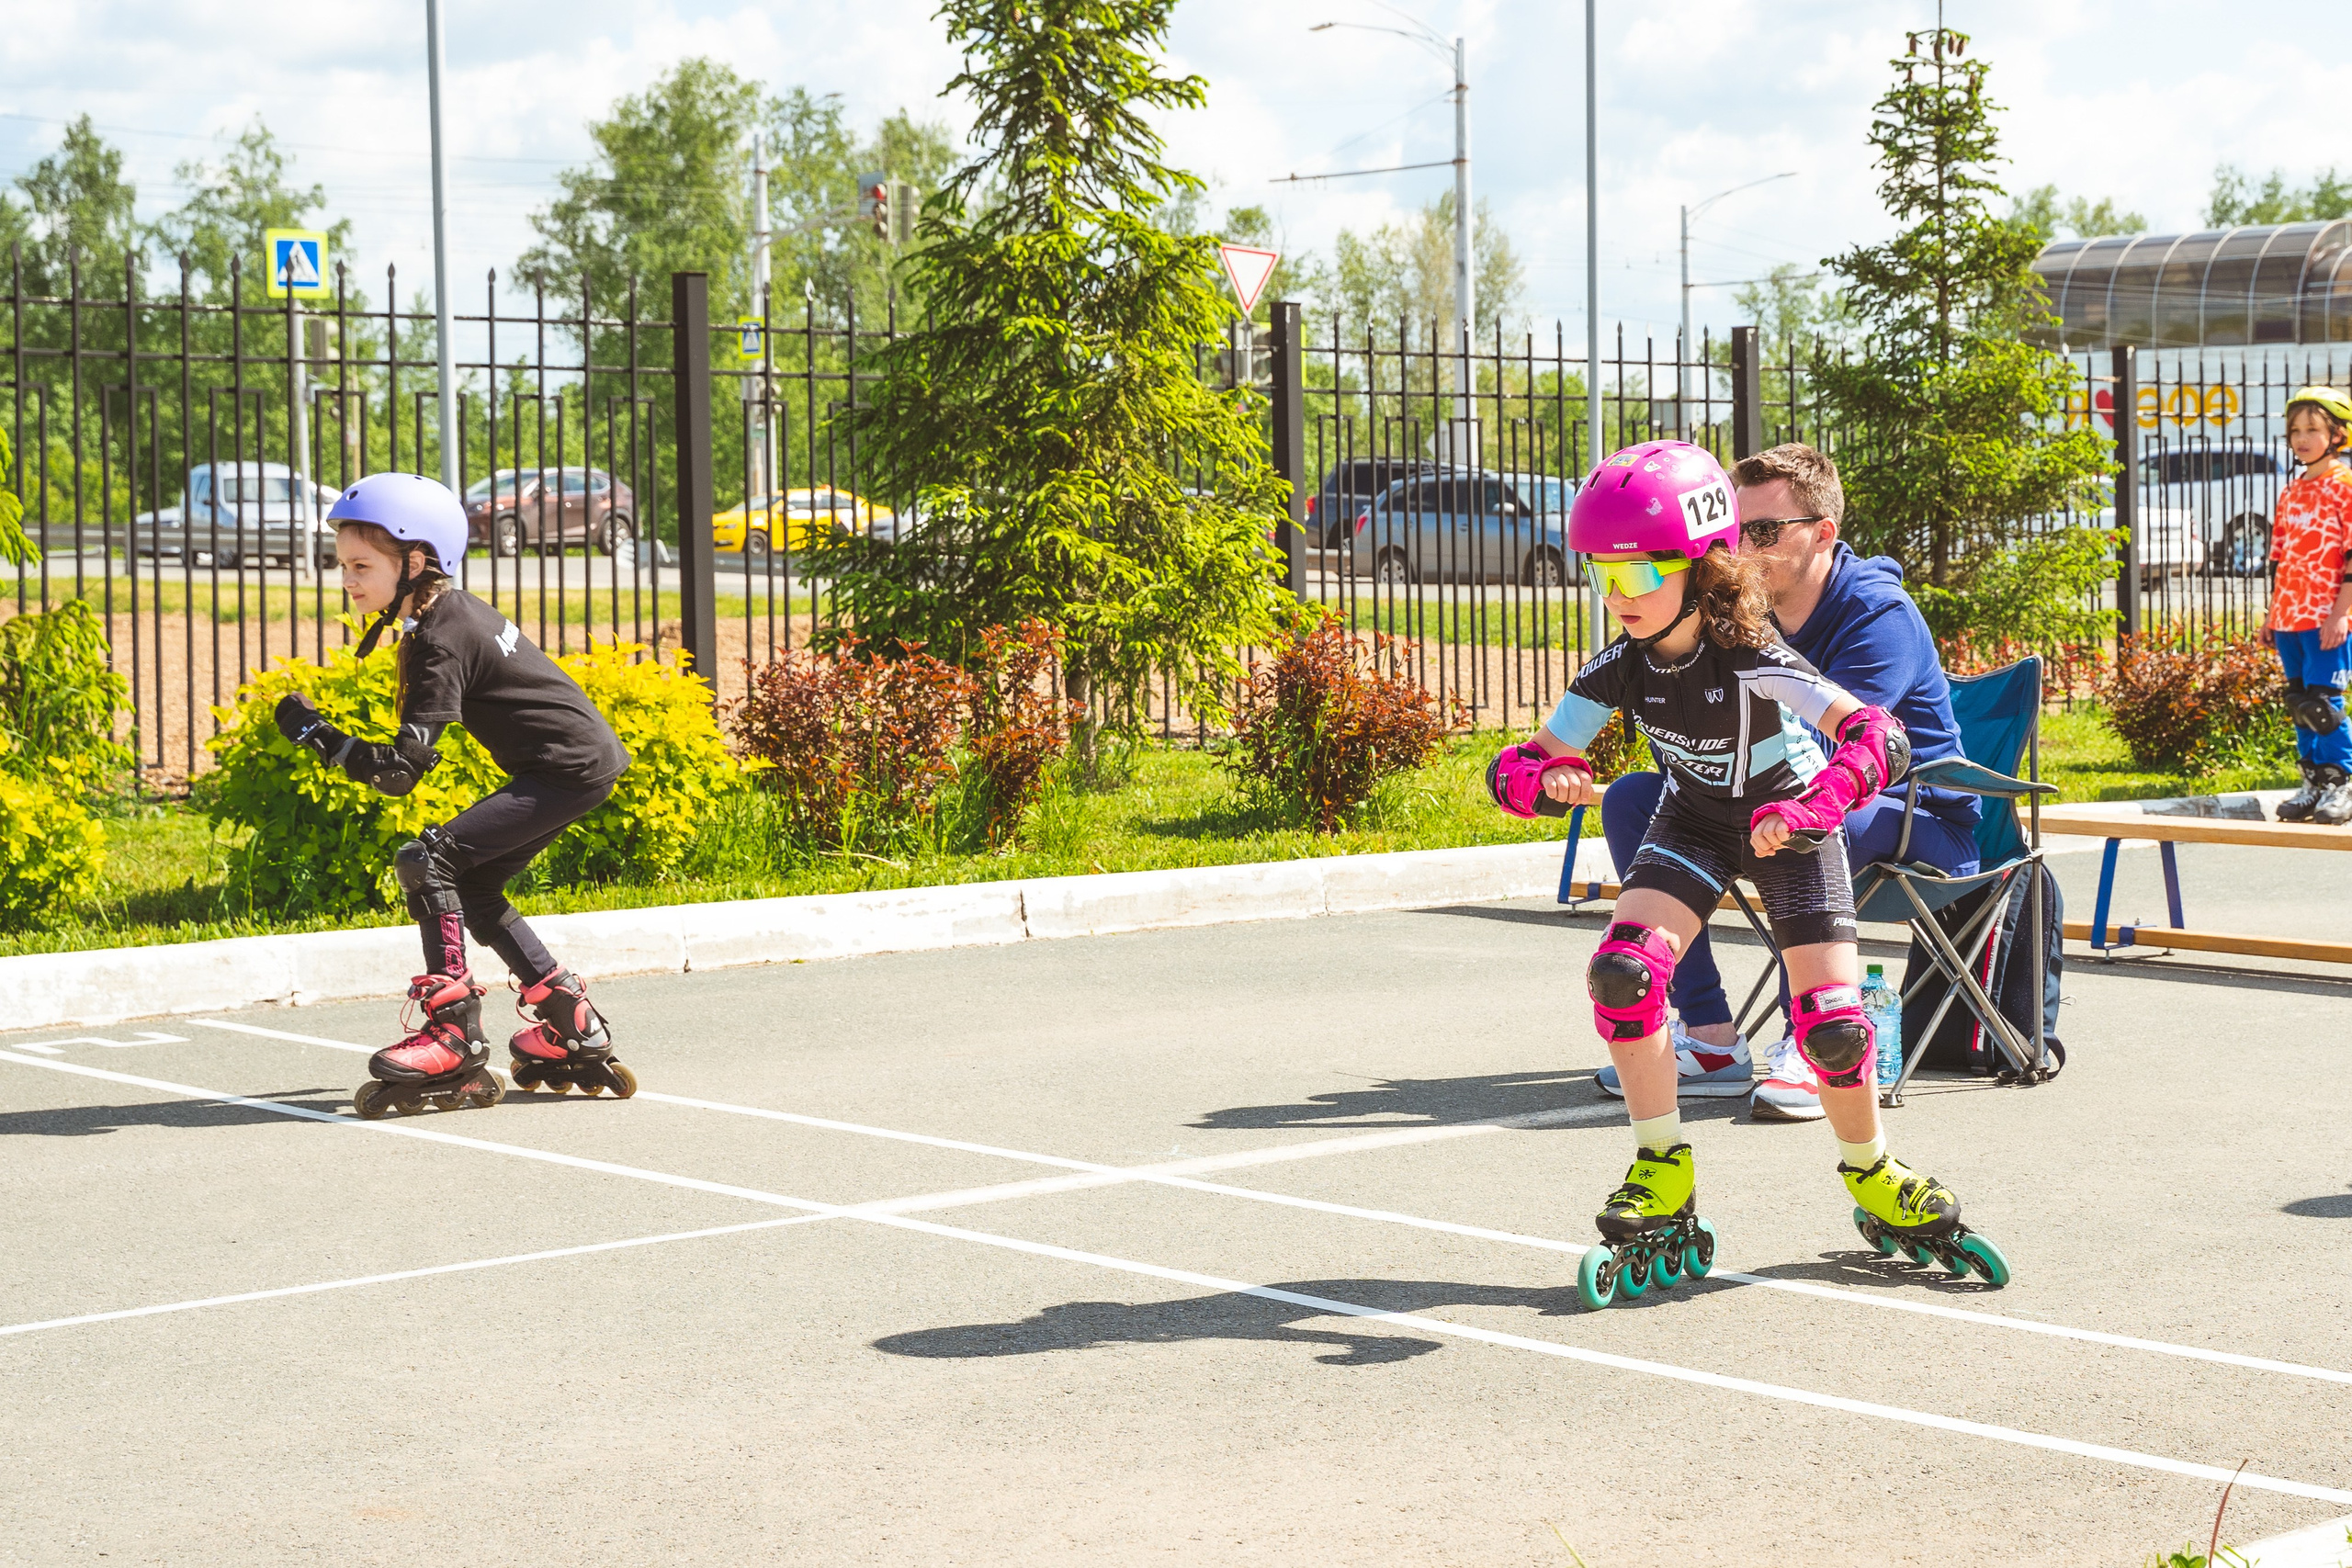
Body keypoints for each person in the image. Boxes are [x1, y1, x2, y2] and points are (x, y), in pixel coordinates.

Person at [1487, 439, 2007, 1305]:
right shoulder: (1618, 666)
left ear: (1700, 566)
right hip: (1693, 823)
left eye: (1639, 573)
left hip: (1791, 832)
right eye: (1602, 576)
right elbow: (1517, 765)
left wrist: (1814, 806)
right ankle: (1662, 1168)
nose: (1619, 597)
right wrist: (1547, 781)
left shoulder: (1752, 651)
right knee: (1623, 973)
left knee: (1833, 1029)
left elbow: (1879, 737)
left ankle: (1873, 1170)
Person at [1593, 443, 1985, 1120]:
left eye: (1766, 532)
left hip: (1914, 815)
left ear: (1823, 533)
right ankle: (1711, 1036)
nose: (1743, 547)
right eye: (1736, 531)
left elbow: (1828, 757)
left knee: (1811, 813)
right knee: (1635, 799)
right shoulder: (1742, 613)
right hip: (1769, 807)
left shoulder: (1876, 612)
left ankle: (1811, 1037)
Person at [272, 473, 639, 1118]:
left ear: (414, 561)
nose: (348, 581)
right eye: (343, 566)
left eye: (362, 566)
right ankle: (569, 1019)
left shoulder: (439, 636)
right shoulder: (449, 613)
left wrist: (316, 733)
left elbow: (398, 772)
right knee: (472, 885)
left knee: (427, 858)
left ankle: (454, 1035)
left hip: (564, 768)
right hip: (576, 764)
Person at [2261, 386, 2352, 825]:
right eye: (2295, 430)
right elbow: (2282, 558)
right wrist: (2270, 614)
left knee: (2324, 703)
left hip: (2326, 614)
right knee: (2300, 702)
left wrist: (2342, 612)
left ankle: (2344, 781)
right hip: (2288, 615)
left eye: (2312, 429)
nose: (2301, 438)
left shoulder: (2344, 486)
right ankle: (2314, 783)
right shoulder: (2292, 491)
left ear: (2337, 434)